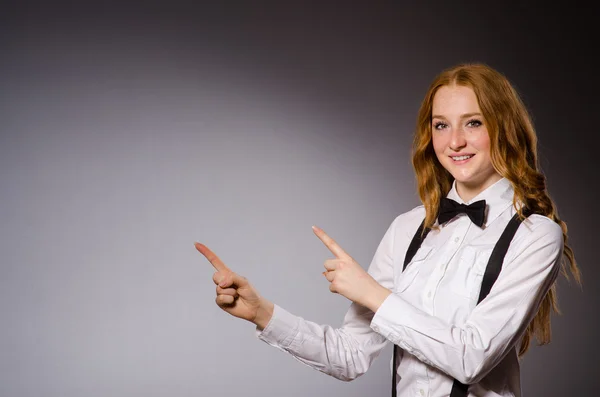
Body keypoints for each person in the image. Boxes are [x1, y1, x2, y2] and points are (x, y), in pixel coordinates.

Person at [195, 63, 581, 397]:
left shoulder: (536, 234)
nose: (455, 141)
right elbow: (350, 356)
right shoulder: (408, 228)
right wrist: (263, 313)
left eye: (474, 123)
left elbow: (471, 358)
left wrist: (373, 294)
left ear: (504, 129)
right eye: (441, 125)